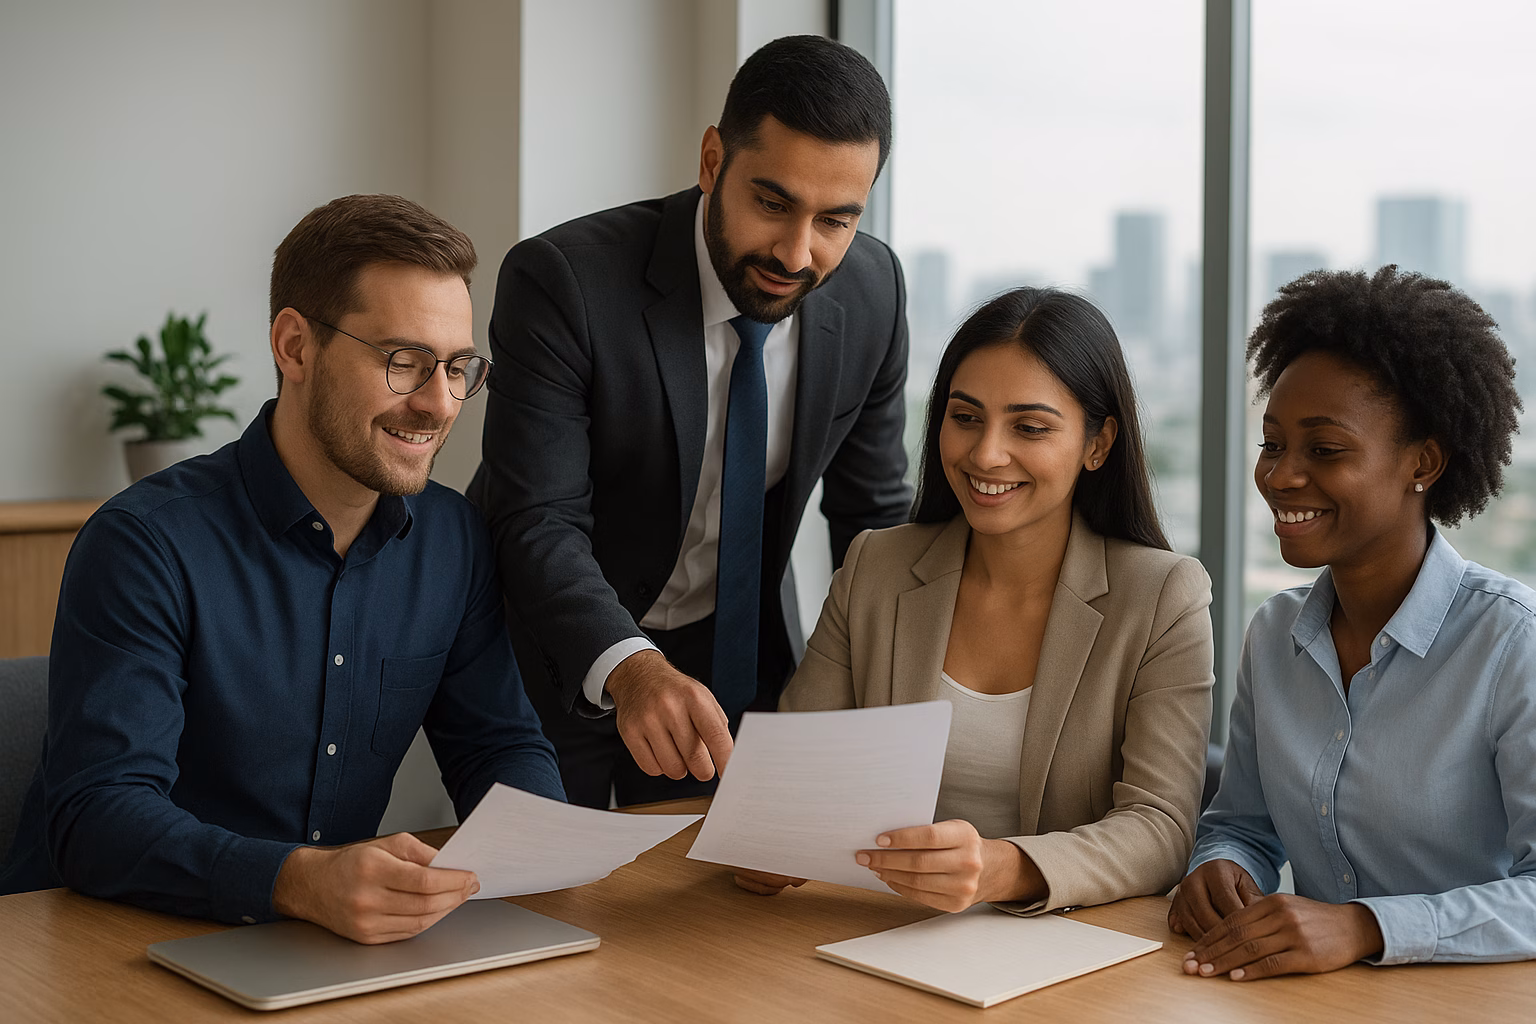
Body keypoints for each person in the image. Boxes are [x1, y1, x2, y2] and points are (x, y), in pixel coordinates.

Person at [0, 194, 564, 944]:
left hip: (312, 946)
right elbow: (97, 816)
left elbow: (497, 744)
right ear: (295, 347)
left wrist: (547, 853)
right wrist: (299, 880)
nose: (438, 404)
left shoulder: (451, 539)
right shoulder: (144, 544)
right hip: (102, 944)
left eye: (458, 367)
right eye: (404, 362)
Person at [467, 35, 912, 808]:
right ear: (712, 162)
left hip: (737, 657)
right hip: (551, 655)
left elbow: (873, 521)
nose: (798, 253)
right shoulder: (565, 281)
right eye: (773, 203)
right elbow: (537, 519)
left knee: (724, 910)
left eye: (836, 220)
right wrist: (632, 667)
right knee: (550, 900)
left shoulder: (874, 293)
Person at [736, 288, 1214, 914]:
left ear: (1098, 444)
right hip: (879, 930)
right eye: (965, 418)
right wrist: (768, 839)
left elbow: (1160, 829)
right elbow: (791, 781)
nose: (986, 453)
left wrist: (1003, 870)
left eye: (1030, 427)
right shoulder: (875, 567)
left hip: (1067, 952)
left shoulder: (1163, 597)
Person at [1171, 266, 1536, 979]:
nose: (1280, 476)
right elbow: (1242, 824)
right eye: (1272, 444)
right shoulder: (1275, 636)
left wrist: (1369, 929)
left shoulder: (1511, 643)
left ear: (1422, 463)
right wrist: (1219, 866)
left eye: (1325, 450)